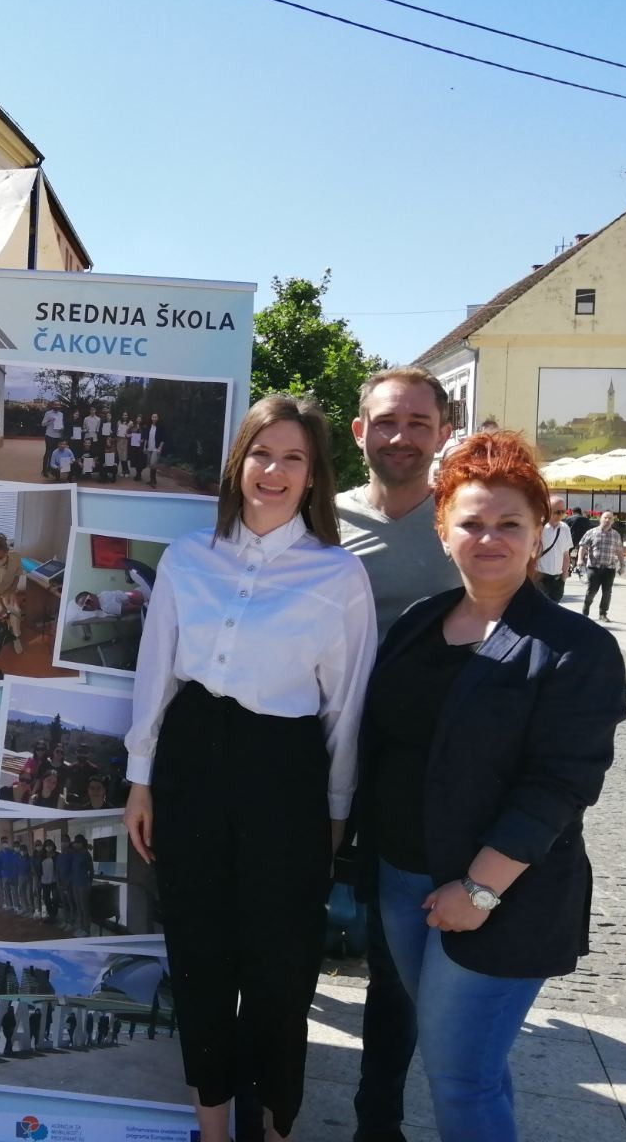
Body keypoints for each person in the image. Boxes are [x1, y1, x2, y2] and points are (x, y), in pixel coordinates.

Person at [354, 431, 623, 1141]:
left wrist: (478, 890)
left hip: (502, 897)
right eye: (471, 522)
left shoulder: (577, 647)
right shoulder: (419, 624)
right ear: (444, 532)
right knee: (469, 1065)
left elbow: (560, 785)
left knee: (461, 1079)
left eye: (511, 524)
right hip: (402, 878)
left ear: (541, 534)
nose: (490, 538)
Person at [125, 394, 375, 1142]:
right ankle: (211, 1126)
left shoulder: (338, 576)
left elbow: (346, 710)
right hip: (191, 766)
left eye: (293, 458)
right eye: (263, 453)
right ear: (240, 463)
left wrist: (334, 813)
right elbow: (155, 673)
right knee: (199, 959)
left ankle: (275, 1126)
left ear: (314, 476)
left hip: (285, 776)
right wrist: (141, 779)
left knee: (281, 972)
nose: (275, 470)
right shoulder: (188, 558)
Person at [336, 368, 460, 1142]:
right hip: (318, 751)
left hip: (417, 770)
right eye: (387, 421)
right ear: (360, 432)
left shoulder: (464, 522)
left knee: (394, 963)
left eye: (419, 422)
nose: (401, 436)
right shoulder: (322, 516)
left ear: (443, 432)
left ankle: (376, 1119)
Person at [579, 512, 626, 623]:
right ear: (600, 519)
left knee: (607, 592)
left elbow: (619, 551)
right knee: (592, 591)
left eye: (610, 518)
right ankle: (585, 610)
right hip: (594, 567)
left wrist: (622, 565)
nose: (607, 520)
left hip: (609, 568)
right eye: (605, 518)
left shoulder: (616, 535)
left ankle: (603, 614)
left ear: (613, 521)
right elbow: (583, 547)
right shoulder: (591, 532)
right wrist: (580, 559)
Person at [535, 497, 572, 603]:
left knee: (553, 614)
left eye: (563, 512)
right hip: (539, 578)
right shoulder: (538, 528)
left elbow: (566, 555)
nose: (560, 515)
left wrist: (563, 580)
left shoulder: (565, 528)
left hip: (557, 580)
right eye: (557, 512)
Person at [68, 835, 94, 935]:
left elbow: (91, 871)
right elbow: (70, 845)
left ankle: (86, 929)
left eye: (78, 842)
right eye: (75, 842)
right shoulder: (75, 853)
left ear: (82, 843)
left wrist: (90, 883)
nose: (76, 844)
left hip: (83, 884)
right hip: (75, 883)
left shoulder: (86, 854)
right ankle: (80, 926)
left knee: (84, 907)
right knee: (78, 906)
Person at [564, 507, 593, 580]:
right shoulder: (586, 520)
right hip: (584, 540)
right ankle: (577, 567)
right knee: (580, 554)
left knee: (566, 553)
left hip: (572, 539)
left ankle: (567, 569)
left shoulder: (570, 519)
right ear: (580, 512)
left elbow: (564, 528)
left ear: (573, 512)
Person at [41, 401, 67, 478]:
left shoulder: (61, 414)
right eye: (56, 405)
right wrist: (49, 420)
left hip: (58, 436)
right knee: (48, 453)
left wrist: (62, 428)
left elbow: (62, 425)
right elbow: (43, 424)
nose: (57, 406)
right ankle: (44, 470)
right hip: (49, 435)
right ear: (53, 405)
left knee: (56, 454)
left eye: (58, 405)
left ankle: (52, 469)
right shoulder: (48, 413)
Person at [143, 412, 165, 488]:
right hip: (149, 448)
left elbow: (162, 439)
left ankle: (153, 481)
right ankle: (153, 479)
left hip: (156, 449)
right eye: (153, 417)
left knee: (153, 463)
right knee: (151, 465)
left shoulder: (160, 427)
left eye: (155, 417)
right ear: (151, 418)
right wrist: (144, 447)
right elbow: (146, 438)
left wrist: (160, 448)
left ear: (158, 418)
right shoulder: (149, 427)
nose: (154, 418)